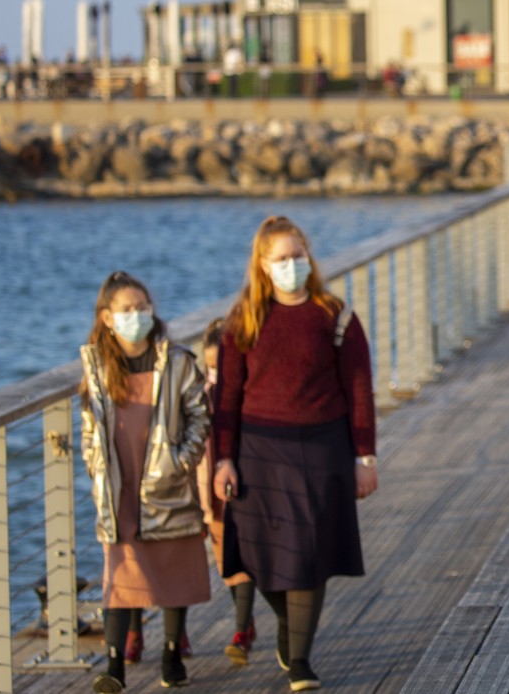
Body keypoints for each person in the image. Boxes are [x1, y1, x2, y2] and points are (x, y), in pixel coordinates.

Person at [213, 216, 378, 690]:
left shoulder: (336, 316)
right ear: (263, 266)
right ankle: (288, 626)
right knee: (260, 553)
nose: (292, 265)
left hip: (323, 447)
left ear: (310, 258)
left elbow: (360, 389)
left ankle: (300, 660)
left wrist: (365, 457)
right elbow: (227, 397)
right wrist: (223, 458)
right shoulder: (243, 320)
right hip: (258, 450)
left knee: (310, 552)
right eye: (282, 259)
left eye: (298, 256)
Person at [79, 272, 211, 692]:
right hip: (119, 484)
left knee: (174, 562)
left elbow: (200, 416)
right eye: (127, 309)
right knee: (120, 572)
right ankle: (113, 666)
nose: (138, 315)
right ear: (107, 317)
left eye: (143, 307)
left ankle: (172, 654)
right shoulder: (97, 369)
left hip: (166, 479)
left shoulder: (177, 362)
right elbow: (88, 429)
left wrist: (180, 462)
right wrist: (97, 467)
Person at [194, 318, 260, 666]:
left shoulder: (245, 397)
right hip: (211, 499)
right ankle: (246, 624)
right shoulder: (198, 399)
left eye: (220, 366)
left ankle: (240, 629)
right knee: (227, 567)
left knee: (244, 563)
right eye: (209, 367)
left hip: (244, 490)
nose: (215, 374)